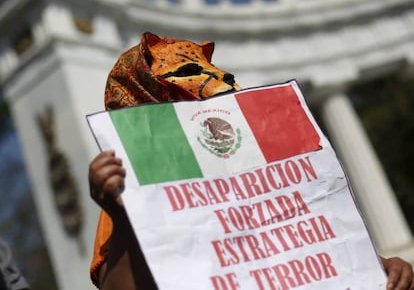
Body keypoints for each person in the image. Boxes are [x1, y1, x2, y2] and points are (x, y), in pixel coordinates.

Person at [89, 33, 414, 290]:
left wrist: (382, 269)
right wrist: (123, 215)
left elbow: (316, 254)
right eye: (188, 83)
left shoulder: (263, 169)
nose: (219, 90)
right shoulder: (131, 190)